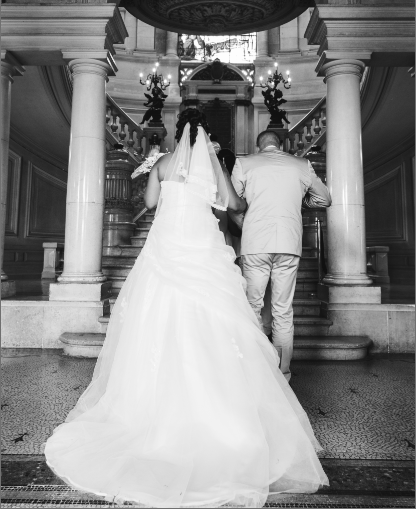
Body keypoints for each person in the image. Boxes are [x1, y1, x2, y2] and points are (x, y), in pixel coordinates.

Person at [44, 110, 328, 508]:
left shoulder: (162, 162)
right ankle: (224, 407)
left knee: (157, 315)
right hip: (201, 245)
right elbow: (230, 202)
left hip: (167, 245)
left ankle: (153, 409)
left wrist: (158, 176)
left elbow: (150, 202)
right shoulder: (211, 163)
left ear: (178, 134)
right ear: (206, 136)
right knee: (220, 318)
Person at [231, 130, 331, 382]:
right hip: (288, 242)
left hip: (255, 243)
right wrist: (300, 202)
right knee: (282, 310)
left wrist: (248, 225)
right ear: (281, 144)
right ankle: (283, 373)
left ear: (259, 145)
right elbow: (325, 198)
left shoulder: (244, 163)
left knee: (253, 307)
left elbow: (231, 204)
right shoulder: (301, 164)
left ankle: (255, 369)